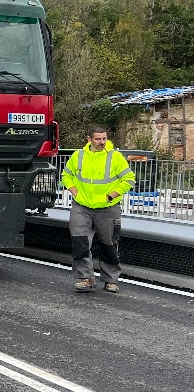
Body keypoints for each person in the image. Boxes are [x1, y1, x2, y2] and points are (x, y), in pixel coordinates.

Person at [61, 126, 135, 294]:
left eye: (104, 139)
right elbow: (66, 175)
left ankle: (110, 280)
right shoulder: (78, 156)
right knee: (80, 242)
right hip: (82, 206)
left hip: (108, 208)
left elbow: (129, 179)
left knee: (108, 244)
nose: (102, 142)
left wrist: (111, 195)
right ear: (89, 139)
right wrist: (75, 192)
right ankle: (86, 278)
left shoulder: (114, 157)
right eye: (98, 139)